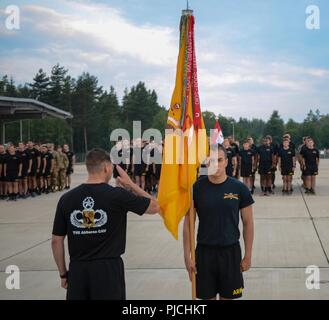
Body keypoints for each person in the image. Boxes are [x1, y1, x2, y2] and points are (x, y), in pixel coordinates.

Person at [51, 148, 159, 300]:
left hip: (78, 270)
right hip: (108, 271)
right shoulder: (118, 195)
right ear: (106, 167)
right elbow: (155, 206)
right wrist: (130, 184)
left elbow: (56, 241)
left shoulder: (67, 199)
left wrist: (63, 274)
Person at [183, 144, 254, 300]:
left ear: (226, 162)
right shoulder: (195, 189)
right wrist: (187, 256)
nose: (216, 164)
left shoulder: (240, 188)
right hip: (204, 254)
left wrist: (248, 255)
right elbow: (189, 223)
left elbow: (248, 223)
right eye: (211, 160)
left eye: (219, 160)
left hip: (231, 253)